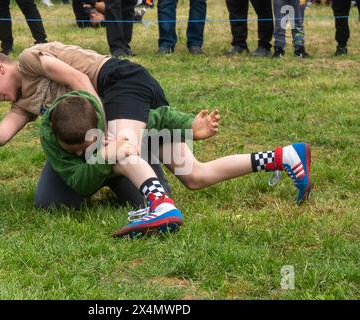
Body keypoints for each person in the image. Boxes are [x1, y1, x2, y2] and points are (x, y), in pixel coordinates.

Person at [0, 42, 178, 209]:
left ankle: (130, 167)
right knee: (50, 202)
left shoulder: (29, 60)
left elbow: (79, 79)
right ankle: (106, 169)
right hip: (82, 145)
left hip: (110, 104)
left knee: (140, 199)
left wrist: (104, 133)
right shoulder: (23, 104)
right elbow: (1, 135)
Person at [41, 91, 312, 238]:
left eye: (83, 147)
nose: (78, 153)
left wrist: (190, 127)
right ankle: (159, 201)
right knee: (53, 201)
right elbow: (80, 182)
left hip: (140, 147)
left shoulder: (112, 112)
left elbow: (157, 117)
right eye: (71, 150)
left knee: (195, 174)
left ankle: (283, 157)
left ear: (98, 128)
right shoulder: (52, 132)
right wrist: (103, 155)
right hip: (117, 158)